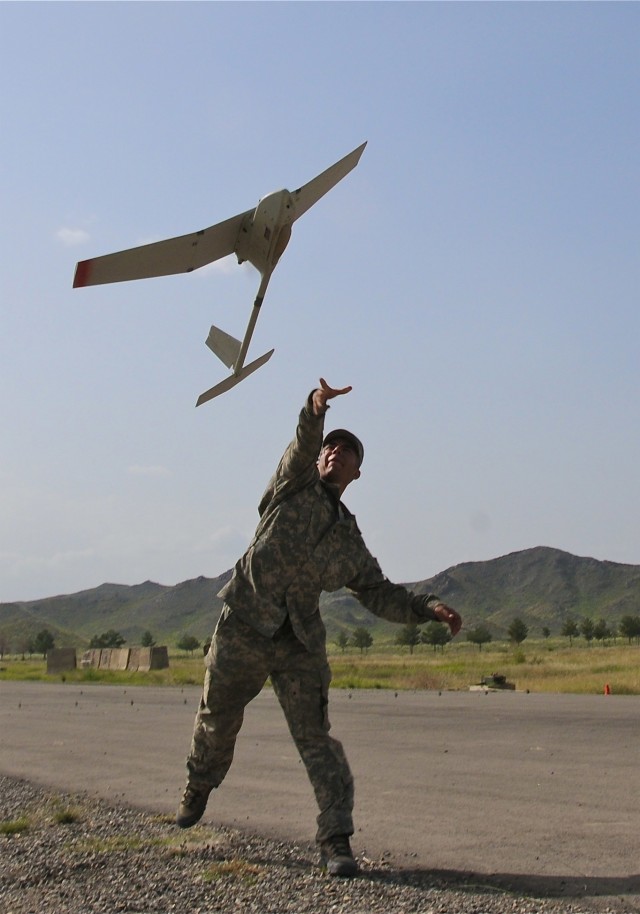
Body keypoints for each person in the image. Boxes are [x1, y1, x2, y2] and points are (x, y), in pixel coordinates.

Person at [177, 378, 462, 877]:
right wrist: (316, 410)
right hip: (244, 623)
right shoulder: (292, 483)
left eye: (346, 451)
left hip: (298, 642)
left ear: (358, 471)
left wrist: (427, 607)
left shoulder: (348, 539)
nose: (334, 452)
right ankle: (198, 785)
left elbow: (378, 591)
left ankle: (335, 841)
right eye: (331, 446)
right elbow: (304, 441)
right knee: (217, 721)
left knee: (317, 739)